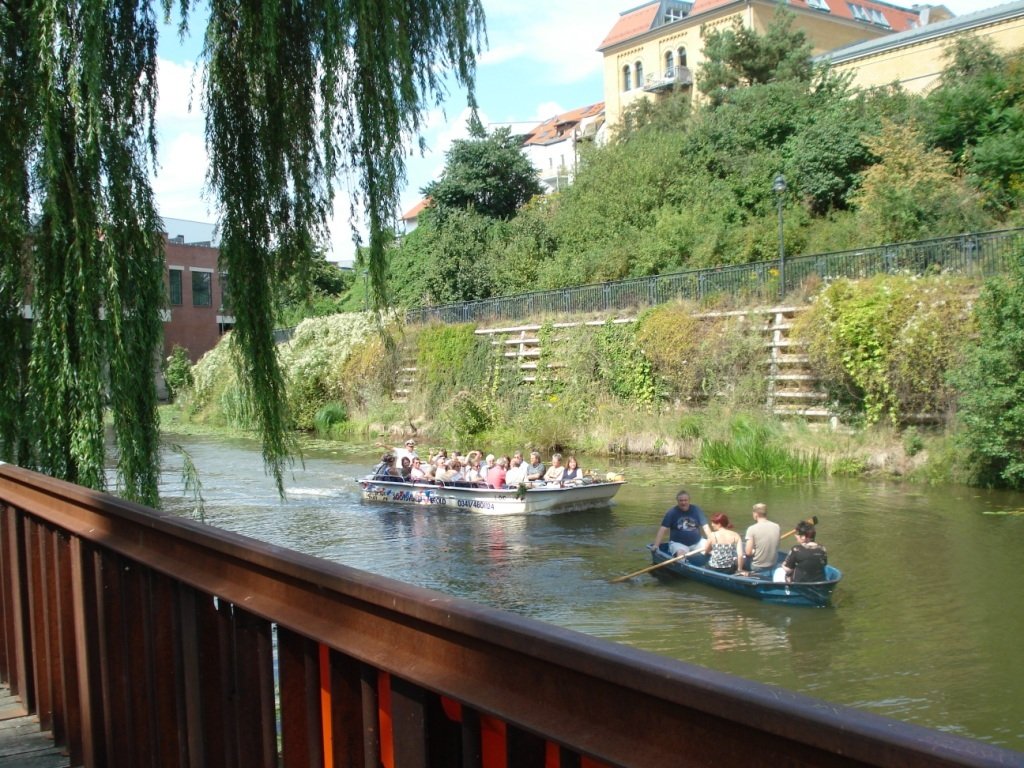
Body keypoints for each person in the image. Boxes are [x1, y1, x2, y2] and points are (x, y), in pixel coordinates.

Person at [652, 490, 710, 556]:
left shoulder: (696, 510)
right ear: (677, 501)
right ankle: (683, 563)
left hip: (697, 542)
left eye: (685, 500)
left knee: (713, 549)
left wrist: (712, 541)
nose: (683, 503)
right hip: (678, 544)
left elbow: (705, 527)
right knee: (681, 554)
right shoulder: (672, 512)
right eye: (681, 500)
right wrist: (656, 545)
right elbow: (663, 529)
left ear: (689, 500)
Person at [741, 503, 781, 579]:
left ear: (756, 514)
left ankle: (741, 572)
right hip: (773, 564)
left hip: (757, 567)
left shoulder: (751, 529)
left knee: (739, 556)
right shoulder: (777, 526)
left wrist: (753, 551)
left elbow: (748, 552)